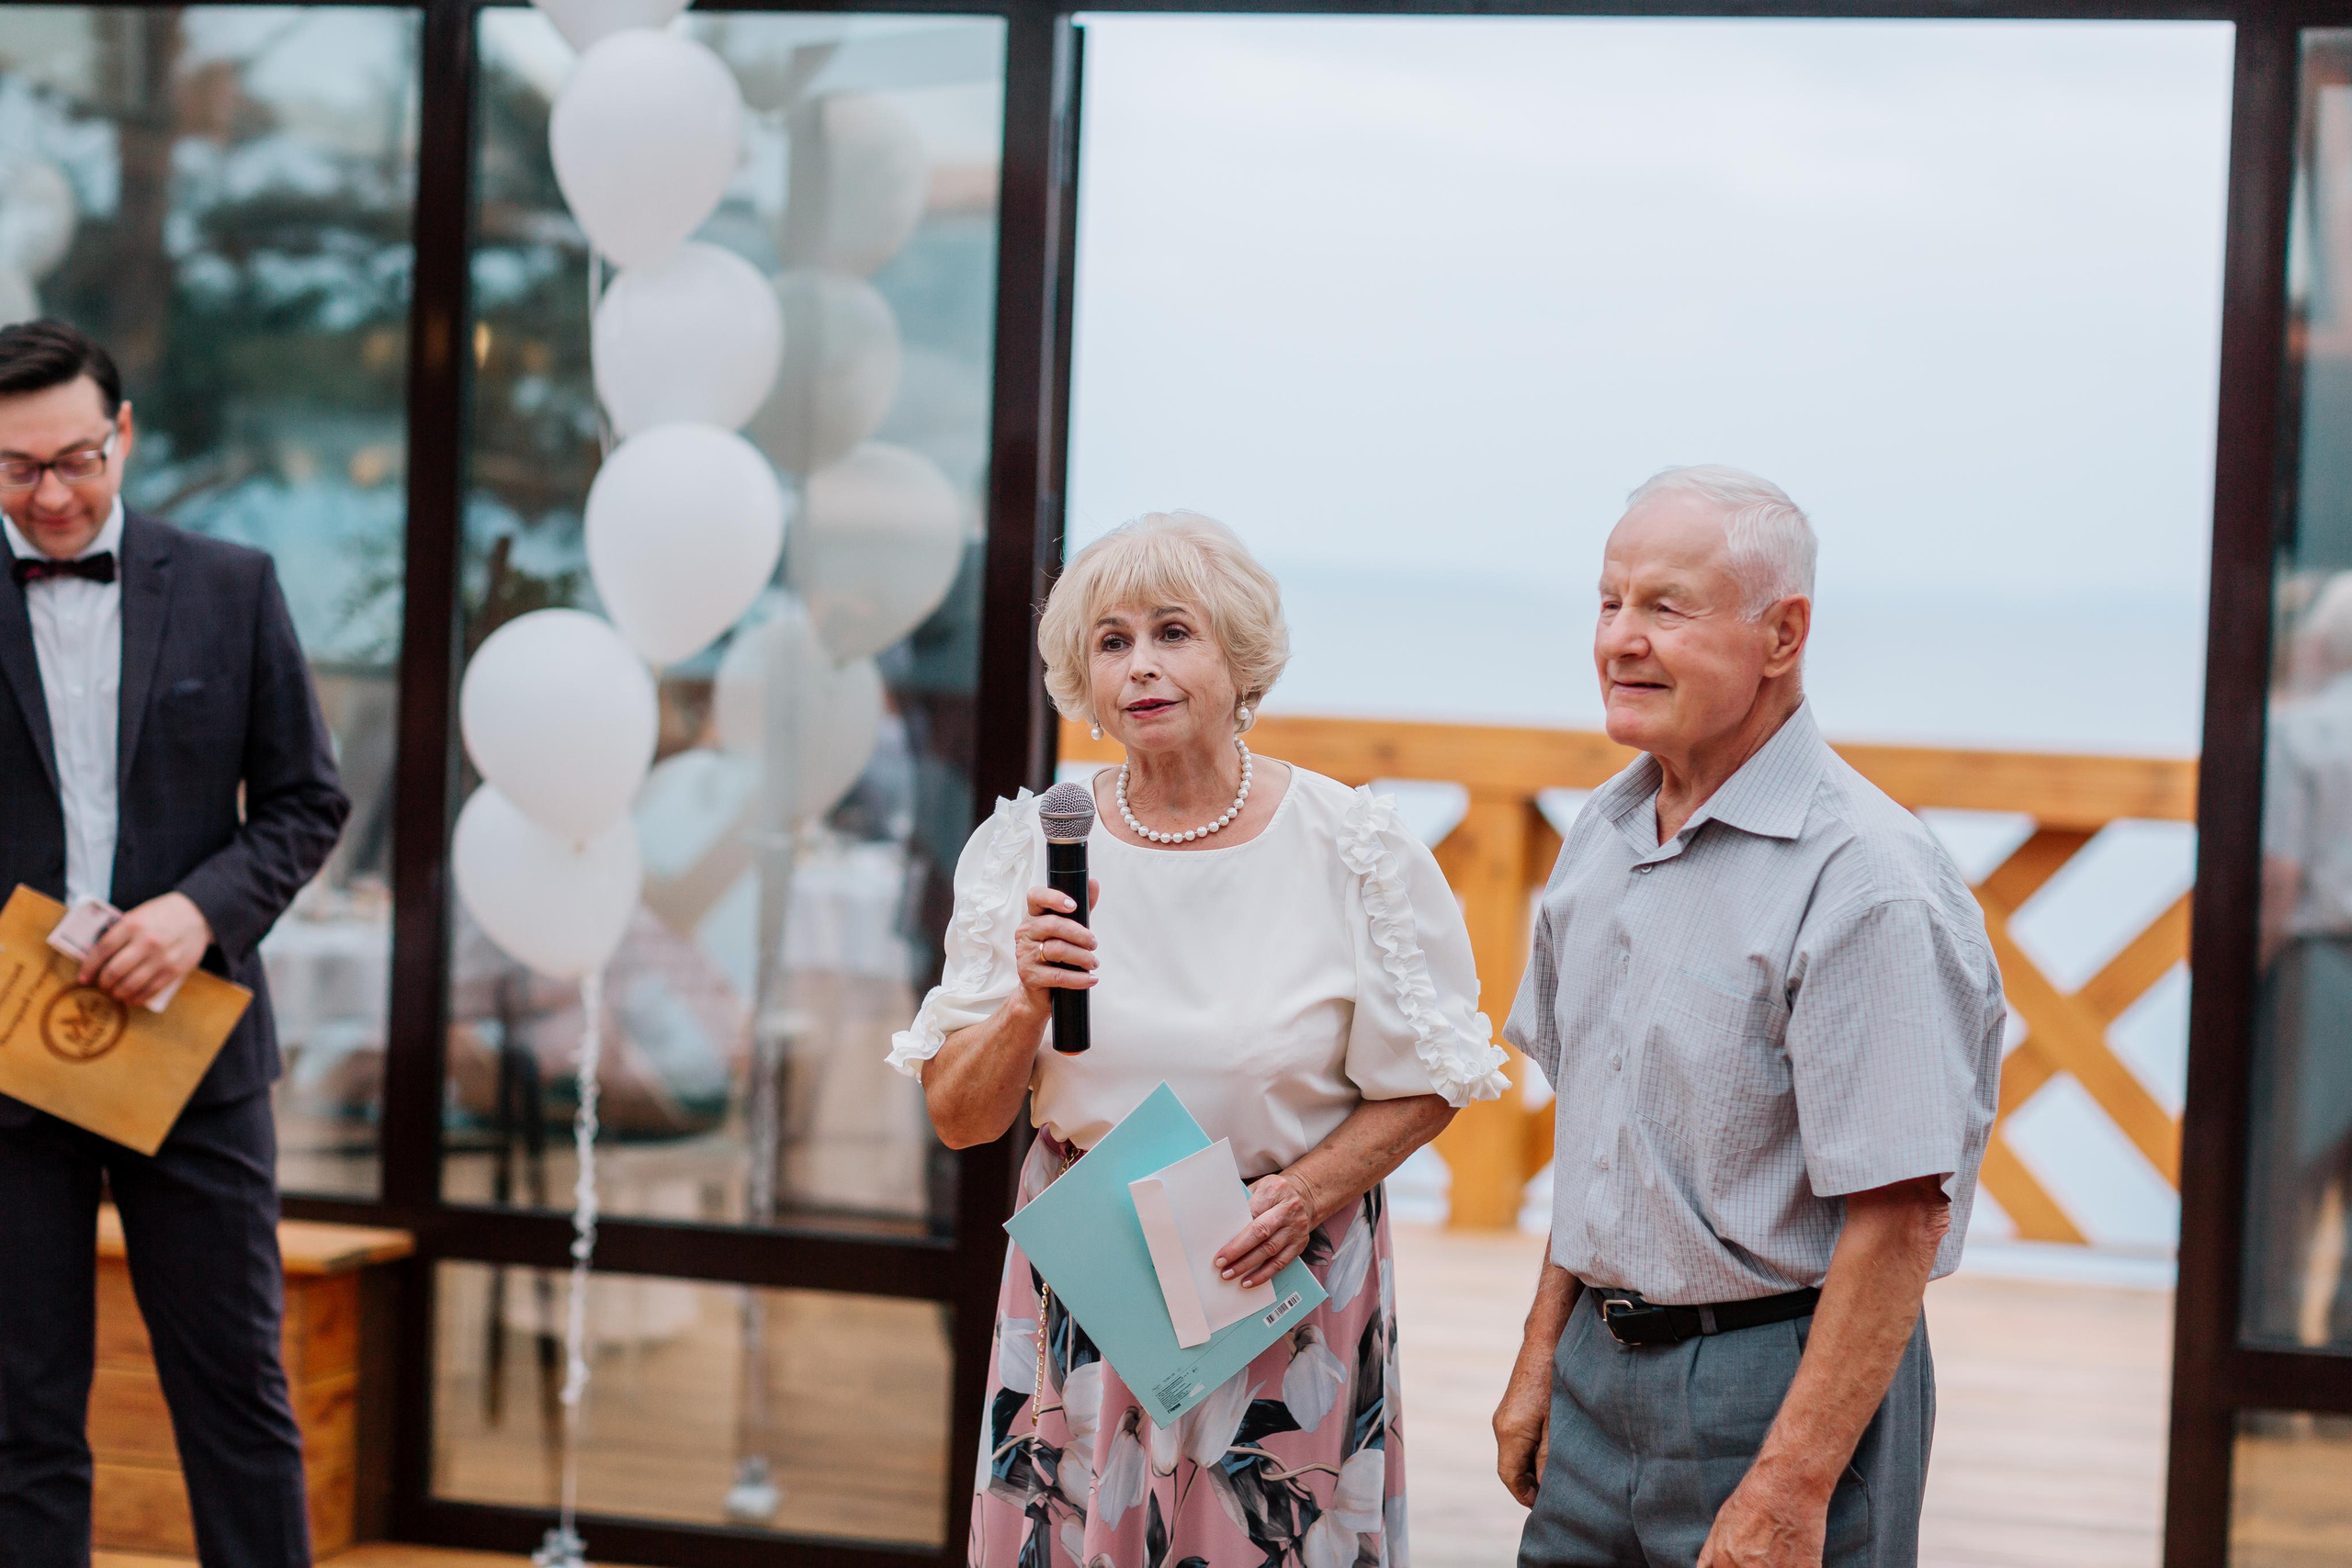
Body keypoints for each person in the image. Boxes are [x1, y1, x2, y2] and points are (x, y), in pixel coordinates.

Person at [888, 510, 1509, 1567]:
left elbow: (1437, 1079)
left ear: (1239, 655)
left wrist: (1306, 1192)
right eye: (1111, 642)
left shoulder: (1351, 846)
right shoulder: (1028, 845)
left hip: (1276, 1270)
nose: (1140, 666)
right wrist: (1026, 1006)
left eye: (1174, 633)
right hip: (1085, 1288)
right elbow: (960, 1116)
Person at [1495, 466, 2003, 1568]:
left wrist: (1789, 1486)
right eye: (1608, 601)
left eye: (1664, 608)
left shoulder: (1869, 882)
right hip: (1594, 1372)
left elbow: (1903, 1217)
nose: (1619, 640)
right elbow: (1598, 1135)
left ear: (1782, 635)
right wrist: (1542, 1354)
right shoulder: (1602, 834)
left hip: (1774, 1382)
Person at [0, 321, 349, 1568]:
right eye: (16, 467)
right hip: (7, 1067)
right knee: (19, 1416)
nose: (51, 493)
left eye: (76, 460)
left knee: (237, 1398)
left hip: (197, 1059)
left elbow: (310, 801)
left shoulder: (231, 582)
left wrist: (198, 910)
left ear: (125, 432)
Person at [2245, 570, 2352, 1347]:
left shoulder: (2300, 731)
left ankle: (2273, 1345)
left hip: (2320, 966)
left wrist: (2239, 979)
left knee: (2291, 1170)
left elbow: (2278, 874)